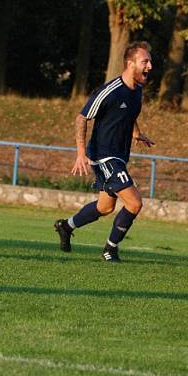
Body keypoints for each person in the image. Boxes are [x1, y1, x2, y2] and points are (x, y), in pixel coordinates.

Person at [54, 41, 155, 262]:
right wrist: (81, 153)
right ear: (130, 64)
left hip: (119, 155)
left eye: (150, 61)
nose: (150, 66)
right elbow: (82, 117)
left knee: (105, 207)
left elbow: (131, 114)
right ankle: (110, 249)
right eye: (145, 61)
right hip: (104, 155)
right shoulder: (110, 90)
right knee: (135, 203)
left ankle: (66, 226)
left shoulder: (137, 91)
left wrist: (136, 133)